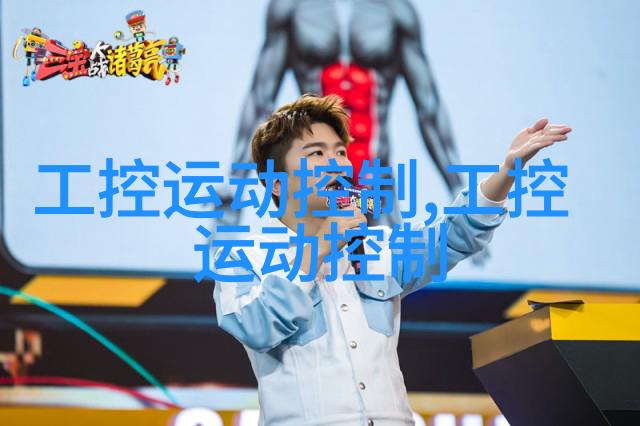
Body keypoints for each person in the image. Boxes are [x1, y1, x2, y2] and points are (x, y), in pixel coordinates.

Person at [212, 94, 571, 426]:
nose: (336, 164)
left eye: (340, 152)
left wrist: (507, 171)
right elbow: (255, 327)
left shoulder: (379, 247)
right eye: (316, 154)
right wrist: (317, 248)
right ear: (275, 182)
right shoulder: (242, 257)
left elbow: (455, 234)